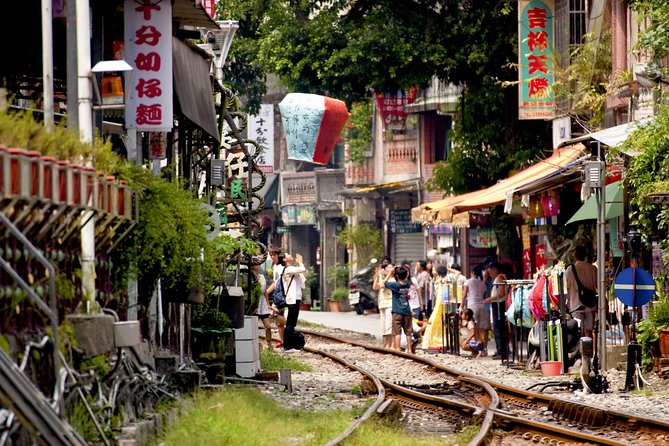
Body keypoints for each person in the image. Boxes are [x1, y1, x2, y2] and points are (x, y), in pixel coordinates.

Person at [566, 245, 598, 339]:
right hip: (591, 304)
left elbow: (566, 287)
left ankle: (581, 352)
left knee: (579, 333)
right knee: (589, 332)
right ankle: (590, 353)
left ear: (575, 256)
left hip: (577, 305)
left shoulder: (570, 269)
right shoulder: (593, 269)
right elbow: (597, 286)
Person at [483, 261, 508, 362]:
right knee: (497, 329)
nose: (489, 271)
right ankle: (499, 350)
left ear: (495, 269)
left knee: (499, 329)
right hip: (496, 304)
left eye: (490, 269)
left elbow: (501, 293)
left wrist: (489, 299)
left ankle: (501, 351)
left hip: (499, 305)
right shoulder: (497, 278)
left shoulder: (500, 278)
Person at [463, 265, 489, 356]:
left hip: (472, 306)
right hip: (482, 306)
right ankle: (484, 349)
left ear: (472, 272)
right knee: (483, 329)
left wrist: (461, 307)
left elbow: (464, 295)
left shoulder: (468, 281)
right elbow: (484, 297)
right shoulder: (482, 283)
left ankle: (475, 350)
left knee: (472, 328)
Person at [384, 265, 412, 351]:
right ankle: (410, 350)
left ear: (397, 276)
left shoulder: (395, 285)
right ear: (406, 275)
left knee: (397, 332)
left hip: (397, 311)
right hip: (407, 310)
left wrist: (390, 273)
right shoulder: (408, 283)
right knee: (408, 332)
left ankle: (397, 349)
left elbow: (384, 283)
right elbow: (406, 277)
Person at [373, 256, 394, 348]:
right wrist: (377, 276)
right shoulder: (384, 279)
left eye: (389, 268)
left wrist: (382, 276)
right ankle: (385, 343)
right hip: (382, 304)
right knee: (383, 326)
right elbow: (375, 287)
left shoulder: (393, 280)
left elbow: (382, 285)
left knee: (388, 325)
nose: (386, 269)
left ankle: (388, 344)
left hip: (390, 304)